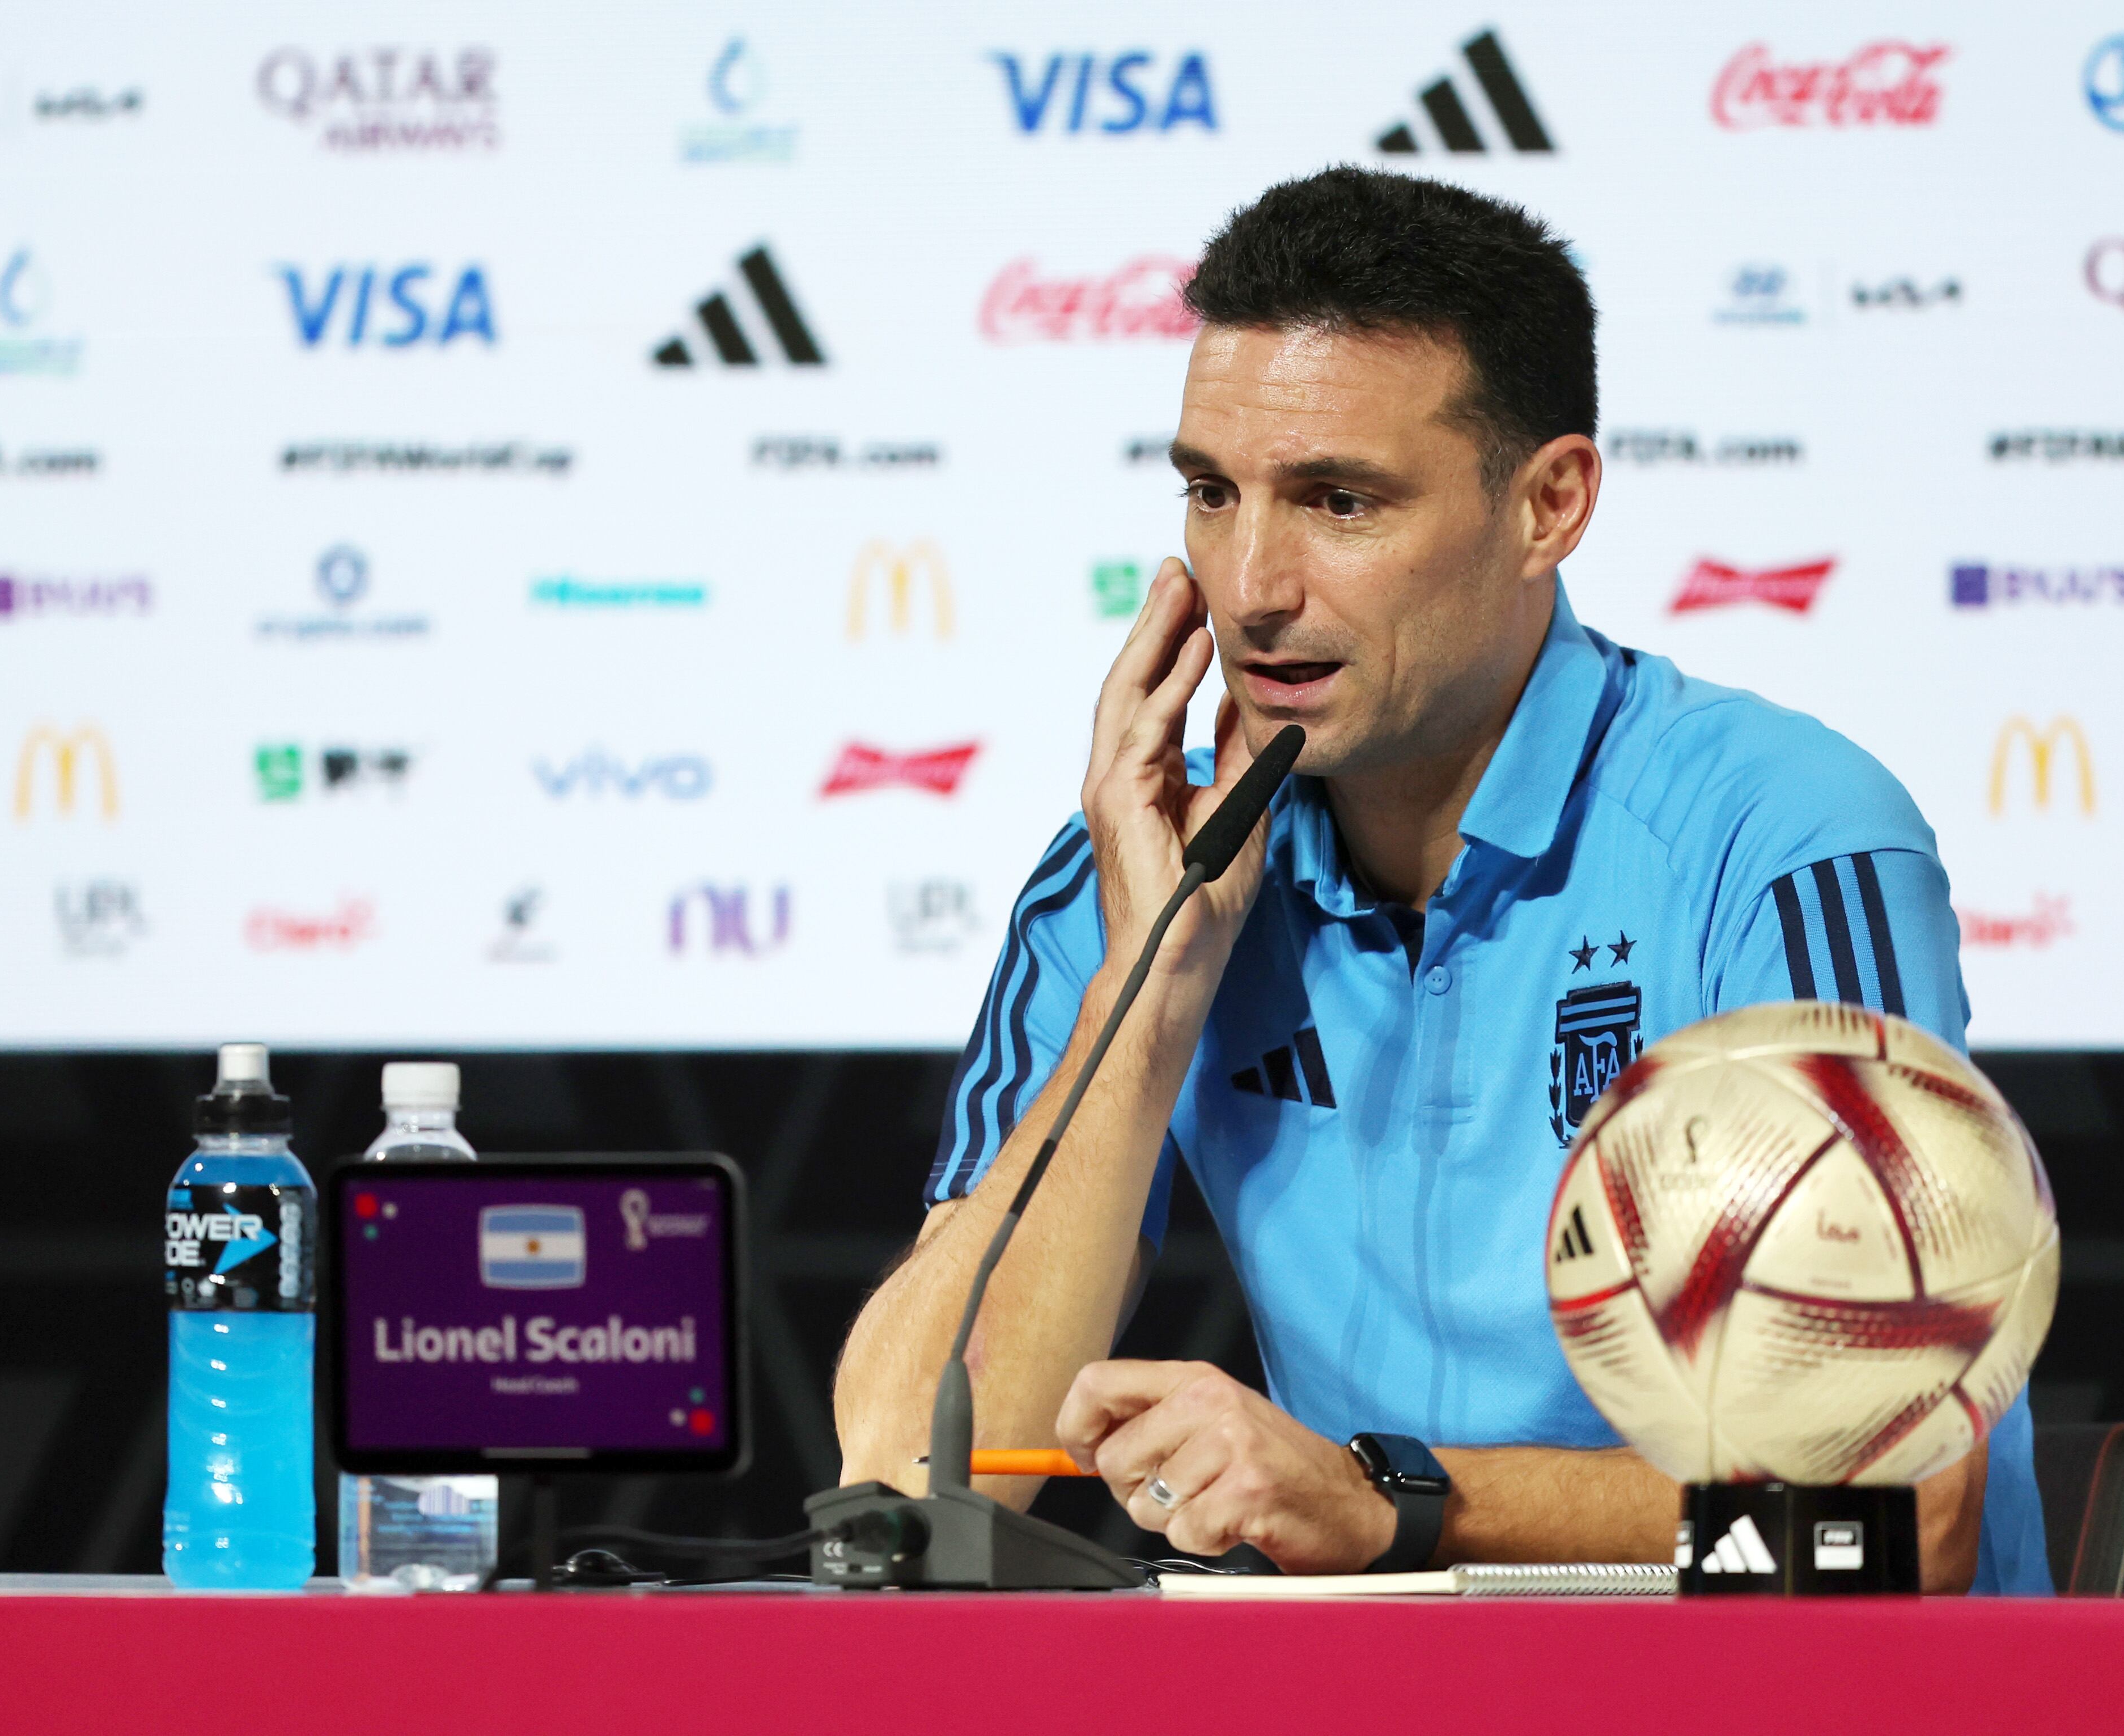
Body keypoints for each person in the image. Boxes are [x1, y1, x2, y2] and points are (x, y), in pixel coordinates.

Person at [832, 166, 2048, 1594]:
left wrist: (1396, 1502)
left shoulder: (1773, 839)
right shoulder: (1151, 870)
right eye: (1214, 495)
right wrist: (1152, 989)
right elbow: (909, 1471)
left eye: (1340, 500)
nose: (1254, 585)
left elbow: (1904, 1522)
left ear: (1550, 505)